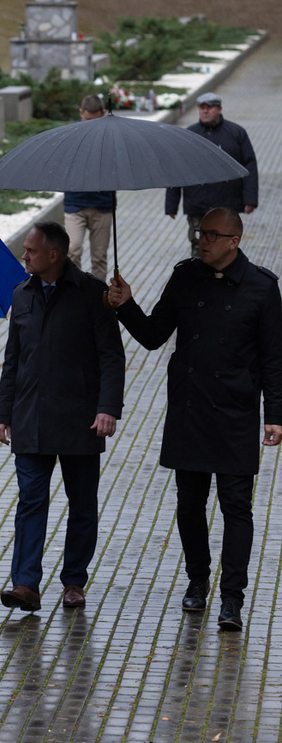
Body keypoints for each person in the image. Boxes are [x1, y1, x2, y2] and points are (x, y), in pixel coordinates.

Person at [108, 206, 282, 631]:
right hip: (191, 409)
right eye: (200, 233)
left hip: (235, 413)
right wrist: (125, 305)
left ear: (234, 241)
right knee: (189, 505)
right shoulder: (185, 277)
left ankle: (232, 598)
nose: (201, 240)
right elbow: (153, 336)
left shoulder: (262, 287)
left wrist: (274, 415)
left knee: (236, 507)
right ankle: (197, 580)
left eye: (211, 235)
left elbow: (274, 358)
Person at [0, 220, 125, 612]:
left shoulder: (92, 294)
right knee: (31, 501)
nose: (24, 256)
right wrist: (3, 412)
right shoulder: (22, 293)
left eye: (31, 251)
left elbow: (111, 357)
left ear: (54, 255)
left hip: (80, 418)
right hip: (30, 417)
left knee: (82, 504)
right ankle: (25, 584)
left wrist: (108, 408)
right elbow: (13, 360)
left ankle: (74, 582)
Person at [166, 92, 258, 256]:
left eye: (209, 107)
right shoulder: (189, 135)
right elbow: (177, 169)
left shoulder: (236, 133)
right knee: (199, 246)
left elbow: (249, 165)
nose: (205, 111)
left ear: (219, 109)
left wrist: (250, 198)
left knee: (224, 247)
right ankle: (199, 273)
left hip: (227, 204)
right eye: (202, 108)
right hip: (197, 203)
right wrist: (171, 204)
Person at [63, 94, 114, 281]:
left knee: (99, 257)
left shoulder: (111, 137)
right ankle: (75, 291)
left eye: (96, 120)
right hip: (75, 204)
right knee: (72, 250)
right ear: (80, 113)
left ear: (104, 113)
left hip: (103, 205)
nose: (91, 124)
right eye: (87, 120)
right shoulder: (70, 135)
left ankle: (97, 294)